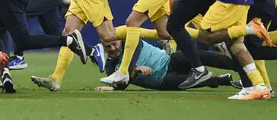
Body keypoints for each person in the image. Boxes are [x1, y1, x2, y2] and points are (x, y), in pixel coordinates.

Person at [96, 39, 234, 91]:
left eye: (114, 44)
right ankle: (222, 81)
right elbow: (121, 85)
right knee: (191, 81)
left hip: (169, 60)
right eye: (108, 47)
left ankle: (239, 65)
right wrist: (115, 86)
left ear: (120, 40)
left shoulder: (132, 42)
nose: (113, 48)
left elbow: (123, 74)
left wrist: (131, 70)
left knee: (197, 55)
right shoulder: (110, 65)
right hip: (162, 80)